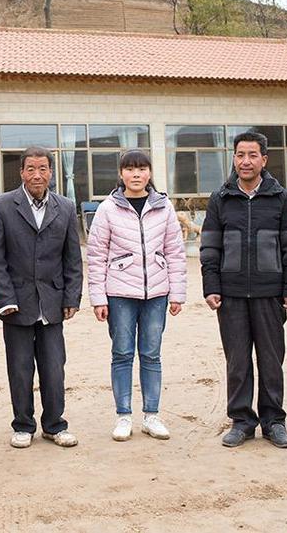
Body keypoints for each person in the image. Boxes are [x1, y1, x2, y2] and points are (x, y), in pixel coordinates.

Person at [200, 131, 287, 449]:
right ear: (234, 158)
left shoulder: (281, 197)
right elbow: (209, 246)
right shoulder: (221, 198)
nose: (245, 161)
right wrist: (211, 285)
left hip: (269, 292)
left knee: (272, 360)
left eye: (252, 155)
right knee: (237, 360)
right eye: (240, 154)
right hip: (230, 294)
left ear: (264, 159)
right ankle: (242, 421)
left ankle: (274, 421)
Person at [0, 146, 83, 449]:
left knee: (54, 367)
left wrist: (71, 298)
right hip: (16, 303)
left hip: (52, 302)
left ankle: (55, 424)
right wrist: (5, 299)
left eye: (43, 168)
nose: (37, 174)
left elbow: (73, 259)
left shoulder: (65, 207)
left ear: (51, 172)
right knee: (20, 367)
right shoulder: (1, 206)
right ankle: (23, 424)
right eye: (31, 169)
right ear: (21, 172)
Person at [86, 150, 186, 442]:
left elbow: (175, 252)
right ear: (121, 174)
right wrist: (98, 298)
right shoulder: (108, 208)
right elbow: (96, 255)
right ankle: (124, 416)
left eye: (141, 168)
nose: (136, 174)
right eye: (130, 169)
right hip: (119, 293)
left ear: (150, 173)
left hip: (156, 293)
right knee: (122, 354)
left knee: (151, 355)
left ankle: (152, 415)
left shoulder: (163, 206)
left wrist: (177, 293)